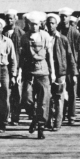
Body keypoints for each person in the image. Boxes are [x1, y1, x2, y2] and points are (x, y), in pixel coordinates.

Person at [18, 11, 54, 139]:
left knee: (44, 100)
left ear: (40, 24)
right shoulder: (24, 37)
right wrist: (19, 71)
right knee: (27, 99)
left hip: (43, 71)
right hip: (29, 70)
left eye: (36, 24)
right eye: (31, 24)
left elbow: (50, 55)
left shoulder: (45, 36)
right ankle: (34, 117)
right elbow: (21, 56)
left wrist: (52, 72)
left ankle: (41, 126)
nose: (34, 27)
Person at [45, 13, 77, 131]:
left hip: (60, 72)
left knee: (59, 97)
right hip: (46, 72)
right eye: (48, 23)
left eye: (52, 23)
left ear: (56, 24)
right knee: (47, 96)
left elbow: (70, 56)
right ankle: (47, 121)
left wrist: (74, 73)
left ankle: (58, 122)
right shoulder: (43, 38)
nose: (50, 25)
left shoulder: (62, 39)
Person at [57, 7, 80, 125]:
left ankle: (72, 115)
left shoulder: (75, 32)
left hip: (72, 66)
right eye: (62, 16)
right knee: (59, 92)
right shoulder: (56, 31)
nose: (64, 19)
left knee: (72, 91)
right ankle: (60, 114)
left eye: (66, 16)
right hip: (59, 65)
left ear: (69, 18)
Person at [0, 18, 17, 132]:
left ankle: (3, 122)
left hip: (3, 69)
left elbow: (13, 59)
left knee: (4, 97)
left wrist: (13, 75)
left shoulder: (8, 42)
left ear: (2, 29)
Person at [2, 9, 24, 126]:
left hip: (18, 67)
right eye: (7, 18)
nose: (9, 20)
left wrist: (19, 71)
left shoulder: (21, 33)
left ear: (16, 19)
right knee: (5, 93)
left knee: (17, 94)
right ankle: (5, 116)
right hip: (5, 67)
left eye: (11, 18)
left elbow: (23, 54)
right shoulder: (2, 33)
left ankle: (15, 117)